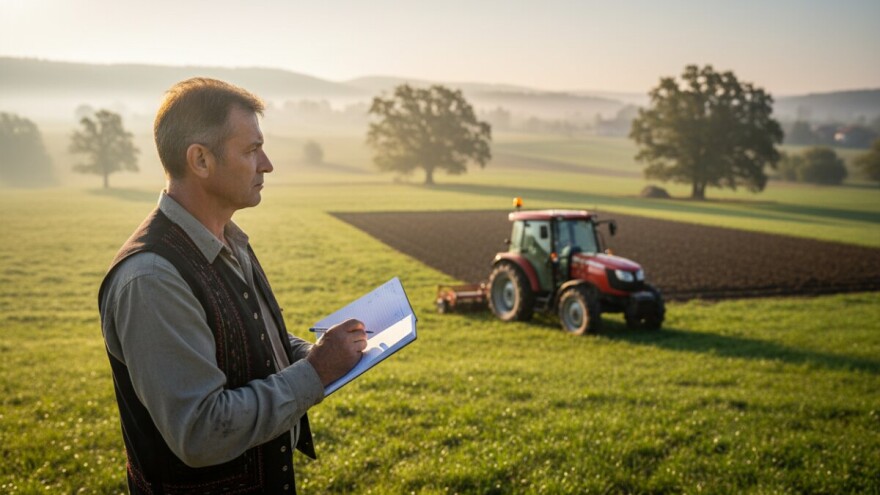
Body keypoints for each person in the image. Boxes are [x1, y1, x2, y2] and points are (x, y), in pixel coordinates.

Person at [98, 77, 368, 494]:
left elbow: (248, 342)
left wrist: (319, 352)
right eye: (251, 150)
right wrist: (315, 371)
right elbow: (201, 431)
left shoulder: (227, 239)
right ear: (200, 160)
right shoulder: (152, 278)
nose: (267, 164)